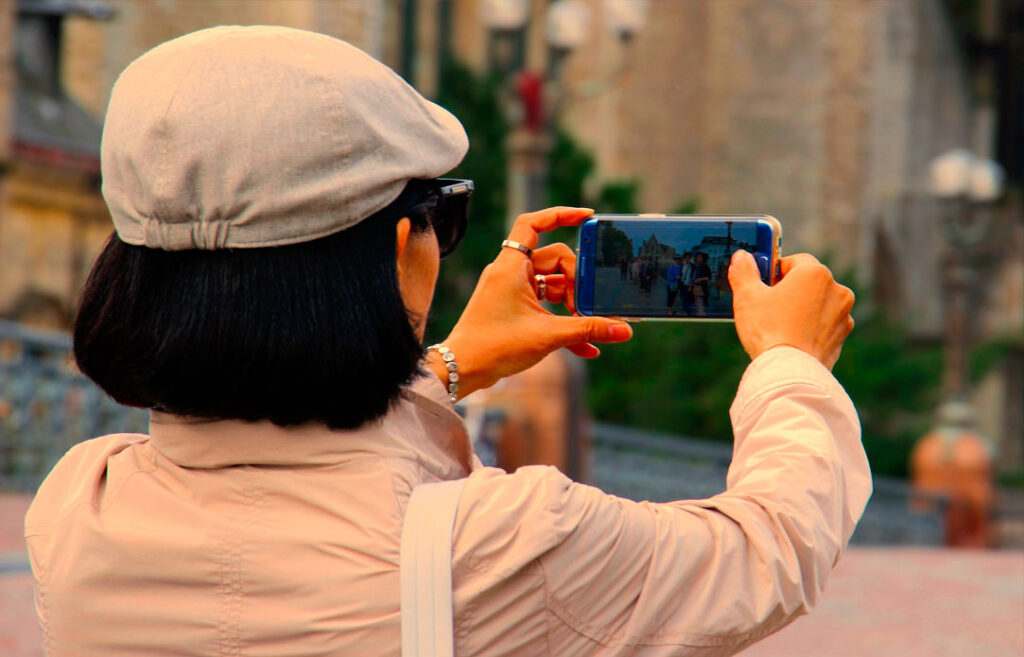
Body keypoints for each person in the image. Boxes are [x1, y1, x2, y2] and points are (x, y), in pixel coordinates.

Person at [25, 27, 869, 657]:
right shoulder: (498, 545)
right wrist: (790, 364)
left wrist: (448, 368)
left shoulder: (77, 509)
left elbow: (284, 471)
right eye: (442, 214)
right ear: (402, 248)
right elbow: (768, 550)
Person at [692, 251, 712, 316]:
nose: (699, 259)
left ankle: (701, 314)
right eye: (697, 257)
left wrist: (700, 279)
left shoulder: (705, 266)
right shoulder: (696, 266)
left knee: (700, 301)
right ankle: (699, 312)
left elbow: (709, 277)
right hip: (695, 286)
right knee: (697, 301)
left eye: (700, 257)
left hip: (702, 287)